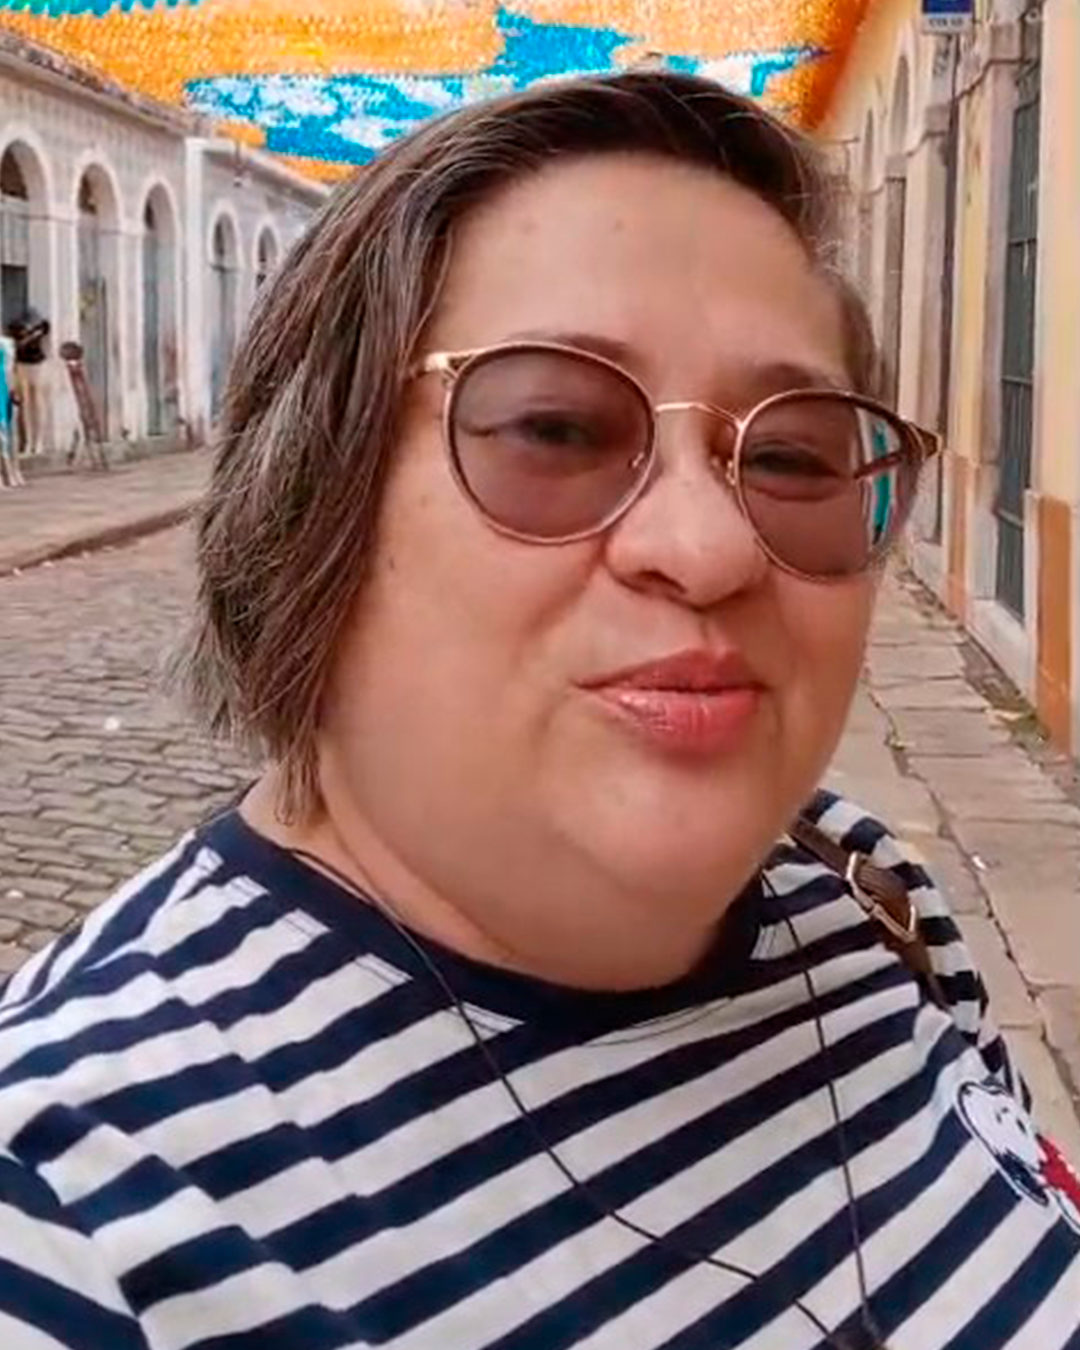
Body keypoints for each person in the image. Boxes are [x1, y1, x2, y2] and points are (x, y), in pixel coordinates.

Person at [0, 71, 1075, 1350]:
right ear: (312, 500)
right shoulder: (67, 1219)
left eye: (793, 454)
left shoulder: (864, 891)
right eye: (557, 428)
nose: (709, 546)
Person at [8, 305, 50, 457]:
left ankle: (38, 442)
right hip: (22, 364)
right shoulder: (16, 330)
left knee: (37, 402)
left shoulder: (41, 328)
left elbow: (45, 332)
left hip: (37, 365)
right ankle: (27, 442)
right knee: (24, 404)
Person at [0, 331, 24, 487]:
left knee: (9, 432)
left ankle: (13, 470)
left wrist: (15, 389)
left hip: (5, 389)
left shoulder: (7, 344)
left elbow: (12, 369)